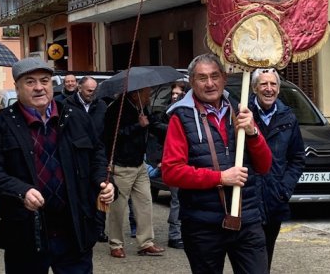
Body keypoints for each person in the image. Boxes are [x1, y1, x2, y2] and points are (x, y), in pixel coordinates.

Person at [0, 57, 115, 274]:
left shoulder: (75, 117)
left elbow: (97, 155)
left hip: (73, 231)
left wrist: (104, 181)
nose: (39, 87)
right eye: (30, 82)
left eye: (45, 80)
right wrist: (21, 191)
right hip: (25, 234)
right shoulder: (2, 124)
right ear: (17, 87)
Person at [162, 54, 272, 273]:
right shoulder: (181, 116)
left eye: (215, 76)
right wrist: (220, 178)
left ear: (224, 77)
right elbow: (171, 172)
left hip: (246, 219)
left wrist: (253, 133)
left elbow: (264, 165)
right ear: (192, 82)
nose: (210, 83)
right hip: (203, 225)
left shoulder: (240, 110)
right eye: (202, 78)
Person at [248, 68, 306, 270]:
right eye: (264, 84)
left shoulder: (288, 117)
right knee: (251, 259)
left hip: (274, 199)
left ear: (279, 89)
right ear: (255, 88)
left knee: (266, 257)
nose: (269, 89)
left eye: (273, 84)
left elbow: (297, 158)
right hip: (249, 200)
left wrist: (285, 189)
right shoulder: (243, 115)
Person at [103, 85, 165, 258]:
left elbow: (149, 124)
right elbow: (112, 135)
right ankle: (116, 244)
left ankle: (146, 243)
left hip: (139, 164)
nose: (149, 95)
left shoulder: (140, 106)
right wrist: (138, 125)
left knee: (145, 204)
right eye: (147, 92)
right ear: (135, 93)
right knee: (118, 208)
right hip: (122, 165)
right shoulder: (117, 108)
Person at [62, 76, 110, 243]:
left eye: (95, 90)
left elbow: (107, 132)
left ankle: (99, 229)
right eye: (89, 90)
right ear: (79, 88)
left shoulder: (102, 106)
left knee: (101, 191)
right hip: (77, 156)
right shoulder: (66, 105)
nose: (92, 93)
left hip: (97, 155)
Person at [146, 80, 186, 249]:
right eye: (173, 94)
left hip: (191, 162)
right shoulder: (167, 113)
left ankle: (186, 232)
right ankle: (175, 235)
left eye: (178, 94)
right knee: (177, 199)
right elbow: (157, 133)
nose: (175, 96)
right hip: (174, 161)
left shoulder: (190, 111)